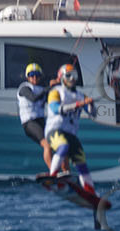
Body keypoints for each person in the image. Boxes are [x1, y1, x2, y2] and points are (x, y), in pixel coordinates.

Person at [46, 63, 98, 194]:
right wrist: (76, 105)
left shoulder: (82, 95)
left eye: (74, 76)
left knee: (81, 159)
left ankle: (89, 190)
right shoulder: (55, 92)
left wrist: (91, 104)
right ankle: (52, 176)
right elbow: (55, 109)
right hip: (55, 131)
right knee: (63, 147)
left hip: (71, 134)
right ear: (62, 78)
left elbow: (93, 114)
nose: (72, 79)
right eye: (68, 76)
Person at [17, 63, 53, 170]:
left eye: (37, 75)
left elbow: (51, 101)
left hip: (41, 121)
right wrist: (48, 88)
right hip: (30, 123)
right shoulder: (24, 88)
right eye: (32, 75)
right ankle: (53, 171)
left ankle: (63, 171)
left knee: (56, 144)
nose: (34, 77)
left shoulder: (41, 89)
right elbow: (33, 98)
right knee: (47, 145)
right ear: (27, 77)